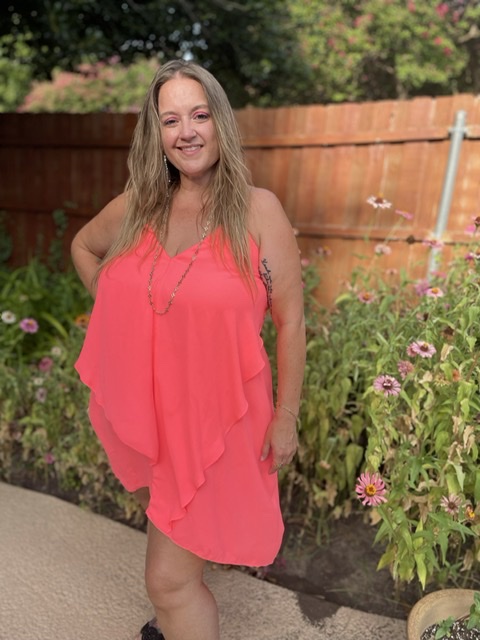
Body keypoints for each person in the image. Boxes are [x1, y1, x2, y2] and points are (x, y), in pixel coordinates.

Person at [71, 59, 306, 640]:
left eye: (199, 114)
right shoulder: (140, 207)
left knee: (169, 581)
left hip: (224, 421)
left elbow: (292, 320)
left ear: (219, 121)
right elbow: (83, 246)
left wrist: (286, 417)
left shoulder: (257, 211)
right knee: (174, 550)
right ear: (157, 135)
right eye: (170, 120)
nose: (188, 131)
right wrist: (115, 308)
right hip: (162, 416)